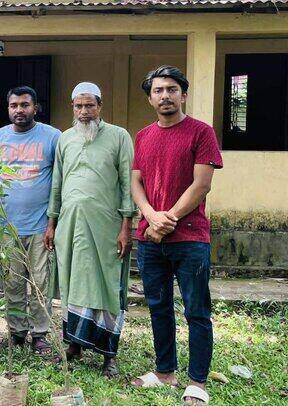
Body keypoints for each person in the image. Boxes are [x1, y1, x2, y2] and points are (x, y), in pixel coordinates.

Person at [130, 66, 223, 406]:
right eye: (158, 90)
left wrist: (168, 217)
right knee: (158, 306)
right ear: (150, 97)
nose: (165, 95)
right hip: (150, 238)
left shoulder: (201, 132)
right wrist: (151, 216)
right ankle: (165, 371)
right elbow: (135, 182)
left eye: (172, 89)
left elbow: (202, 184)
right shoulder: (143, 136)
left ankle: (197, 381)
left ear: (183, 95)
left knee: (196, 309)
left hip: (190, 237)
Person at [45, 82, 135, 377]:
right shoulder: (65, 139)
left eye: (89, 106)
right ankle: (74, 346)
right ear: (72, 107)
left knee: (107, 285)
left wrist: (126, 227)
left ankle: (110, 355)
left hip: (107, 227)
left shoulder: (119, 137)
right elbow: (56, 184)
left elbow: (127, 184)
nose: (84, 112)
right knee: (72, 284)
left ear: (100, 106)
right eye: (78, 106)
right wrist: (51, 222)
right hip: (69, 226)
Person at [0, 86, 61, 358]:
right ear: (8, 109)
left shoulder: (52, 137)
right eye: (14, 105)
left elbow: (59, 181)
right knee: (13, 282)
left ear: (36, 107)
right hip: (8, 228)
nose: (19, 110)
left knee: (41, 283)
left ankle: (40, 334)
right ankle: (16, 332)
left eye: (25, 105)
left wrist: (53, 223)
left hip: (42, 227)